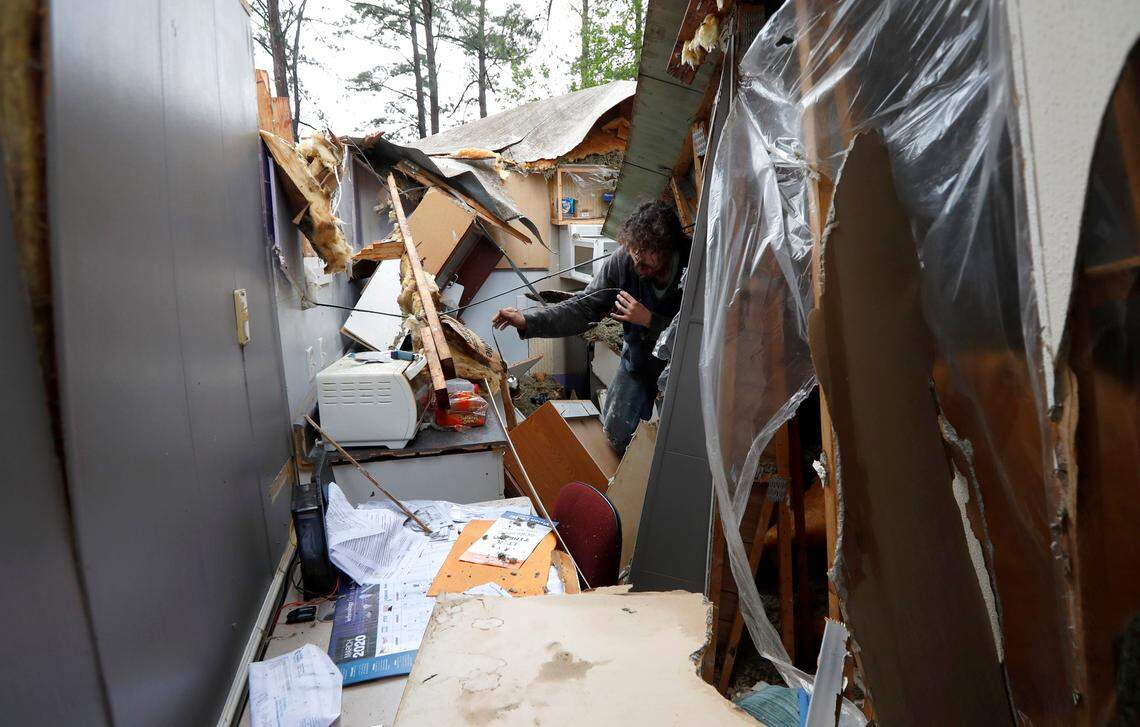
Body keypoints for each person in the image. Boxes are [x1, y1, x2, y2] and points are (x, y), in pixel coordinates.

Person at [493, 201, 690, 454]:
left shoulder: (695, 261)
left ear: (668, 247)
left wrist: (650, 321)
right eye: (634, 249)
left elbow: (706, 330)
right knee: (616, 434)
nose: (638, 259)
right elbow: (583, 308)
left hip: (680, 370)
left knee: (676, 445)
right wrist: (529, 321)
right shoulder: (623, 262)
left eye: (648, 251)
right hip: (637, 363)